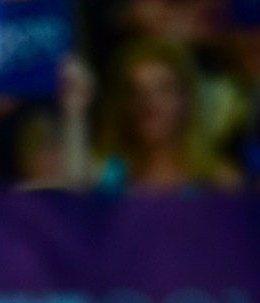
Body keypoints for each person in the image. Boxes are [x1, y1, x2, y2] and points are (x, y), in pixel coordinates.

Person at [92, 38, 239, 193]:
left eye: (163, 89)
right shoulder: (101, 172)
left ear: (186, 98)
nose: (149, 104)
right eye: (135, 91)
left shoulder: (219, 180)